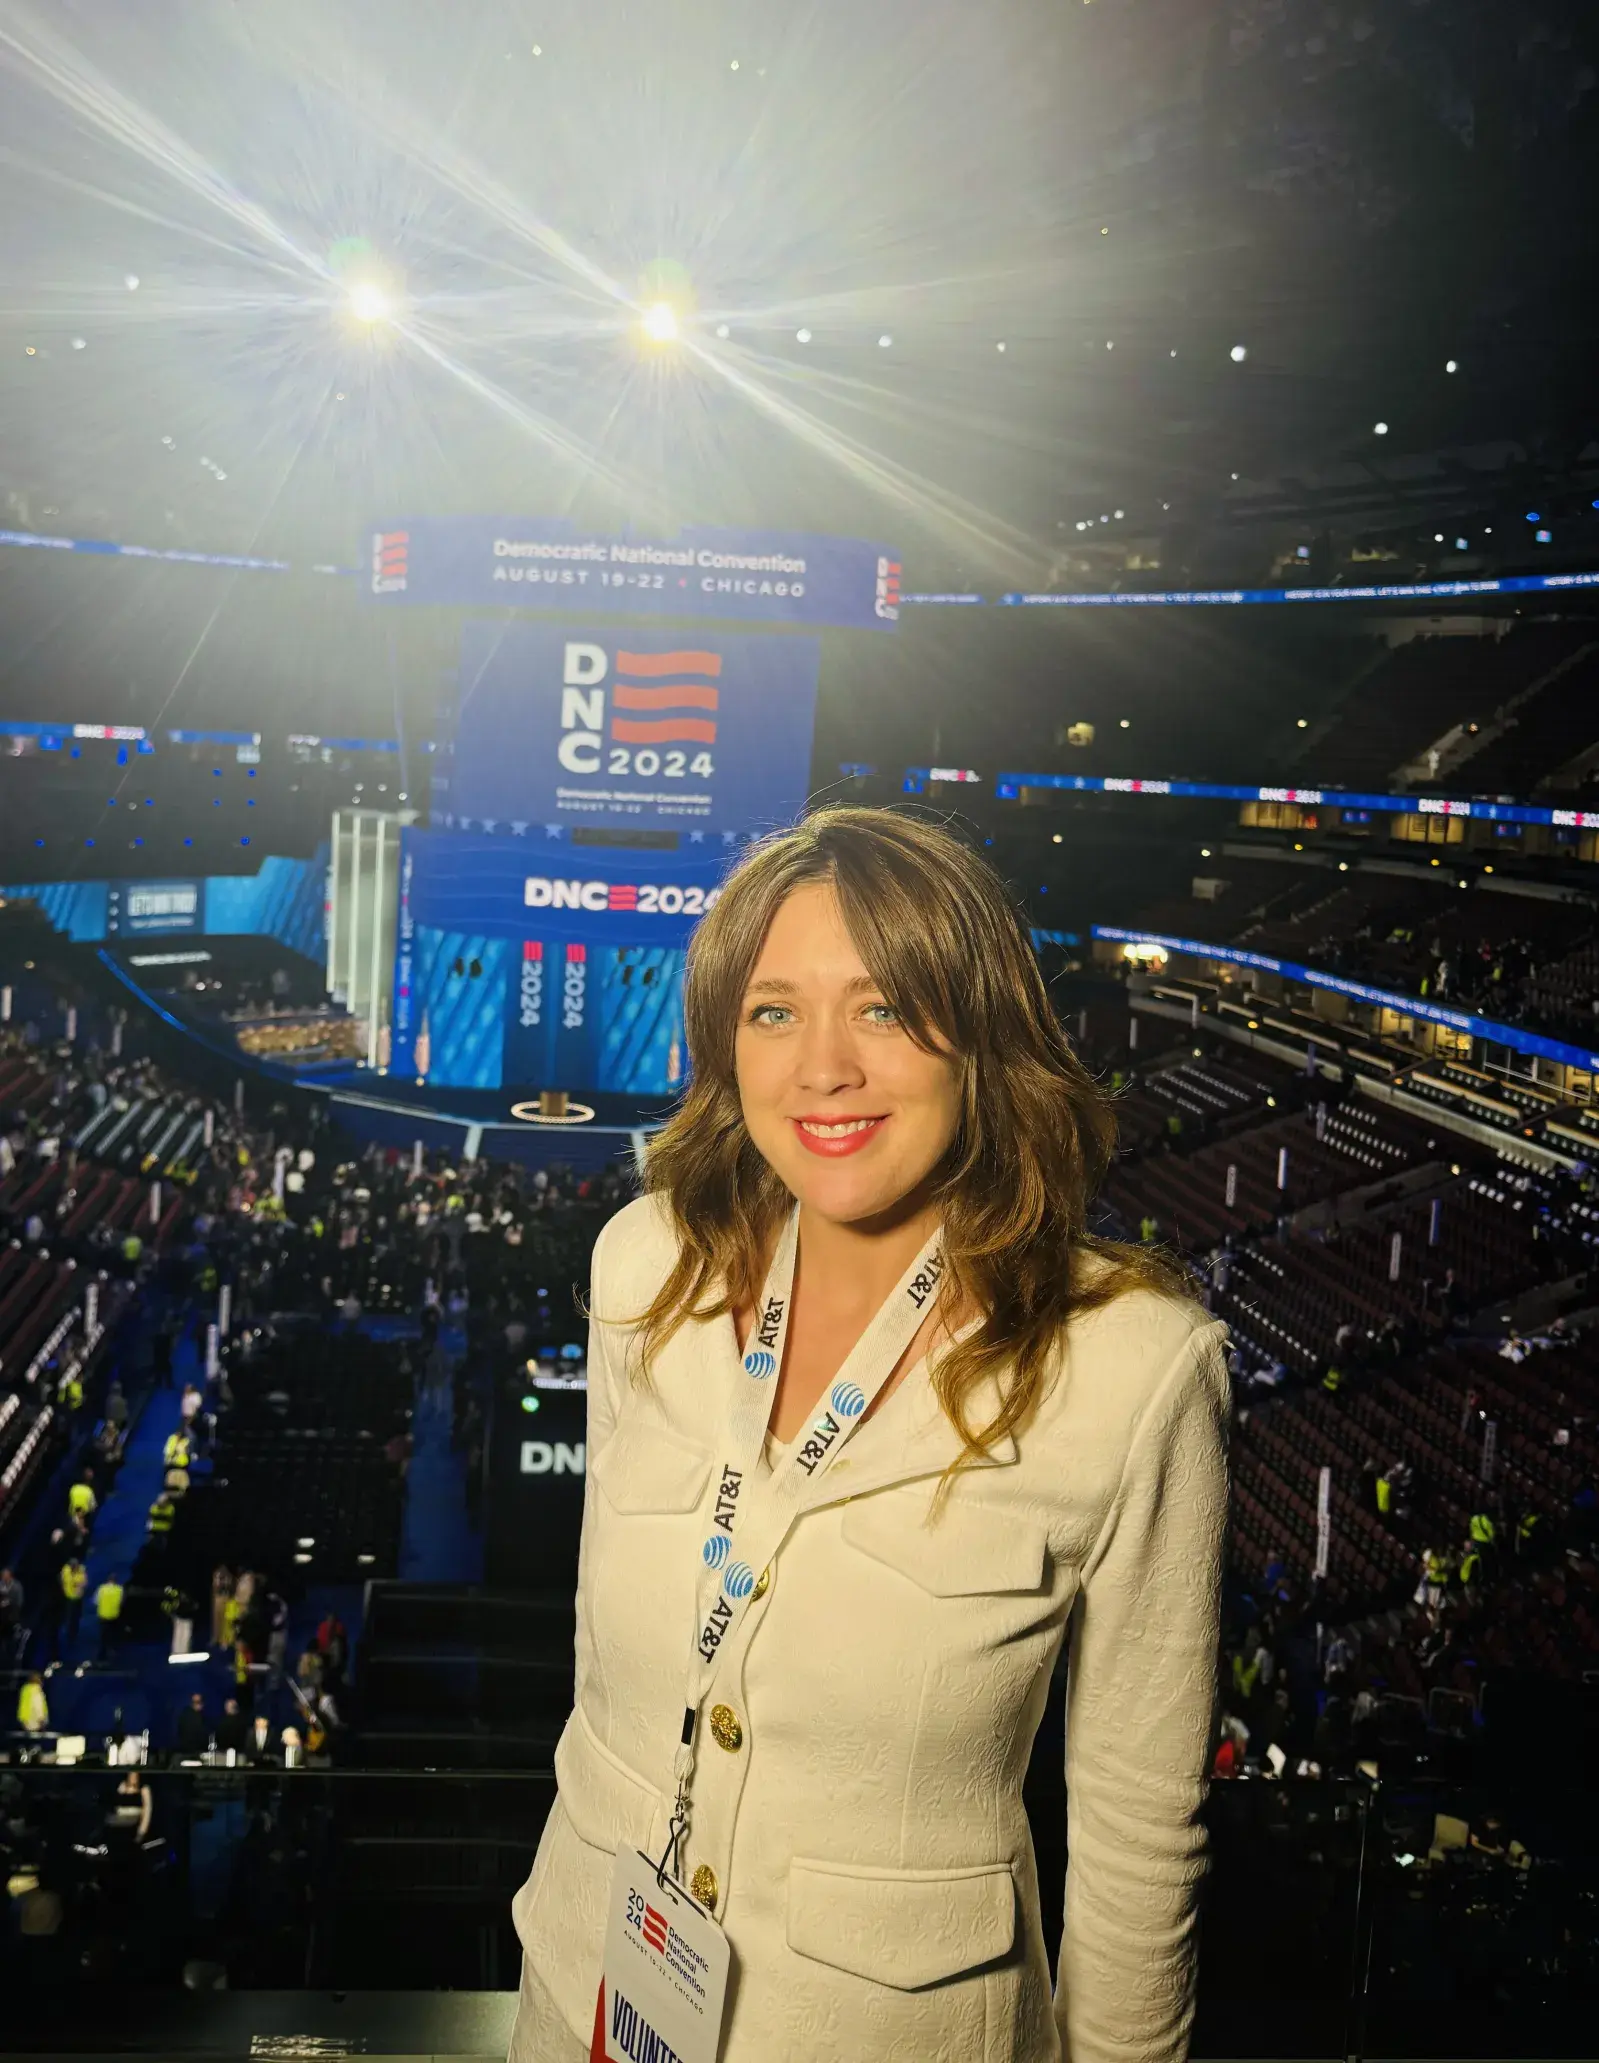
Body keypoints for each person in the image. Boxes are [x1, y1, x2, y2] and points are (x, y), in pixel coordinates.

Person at [507, 809, 1232, 2063]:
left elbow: (1138, 1829)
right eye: (773, 1011)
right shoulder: (643, 1264)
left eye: (885, 1008)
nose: (823, 1067)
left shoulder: (1136, 1366)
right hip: (583, 2000)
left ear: (982, 1033)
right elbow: (606, 1675)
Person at [59, 1556, 88, 1654]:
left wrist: (79, 1585)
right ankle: (69, 1635)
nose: (73, 1568)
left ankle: (73, 1634)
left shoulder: (81, 1571)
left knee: (76, 1617)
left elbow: (84, 1583)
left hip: (77, 1599)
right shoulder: (66, 1570)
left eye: (75, 1567)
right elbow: (62, 1578)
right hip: (68, 1598)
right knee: (69, 1617)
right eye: (72, 1567)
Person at [93, 1572, 124, 1661]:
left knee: (103, 1635)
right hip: (114, 1616)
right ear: (116, 1581)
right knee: (113, 1634)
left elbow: (95, 1601)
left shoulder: (101, 1589)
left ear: (108, 1580)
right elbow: (121, 1602)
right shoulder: (119, 1589)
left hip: (103, 1615)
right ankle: (112, 1651)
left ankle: (101, 1655)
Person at [175, 1691, 211, 1758]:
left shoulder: (184, 1714)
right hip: (195, 1752)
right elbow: (201, 1736)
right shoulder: (197, 1718)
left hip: (185, 1751)